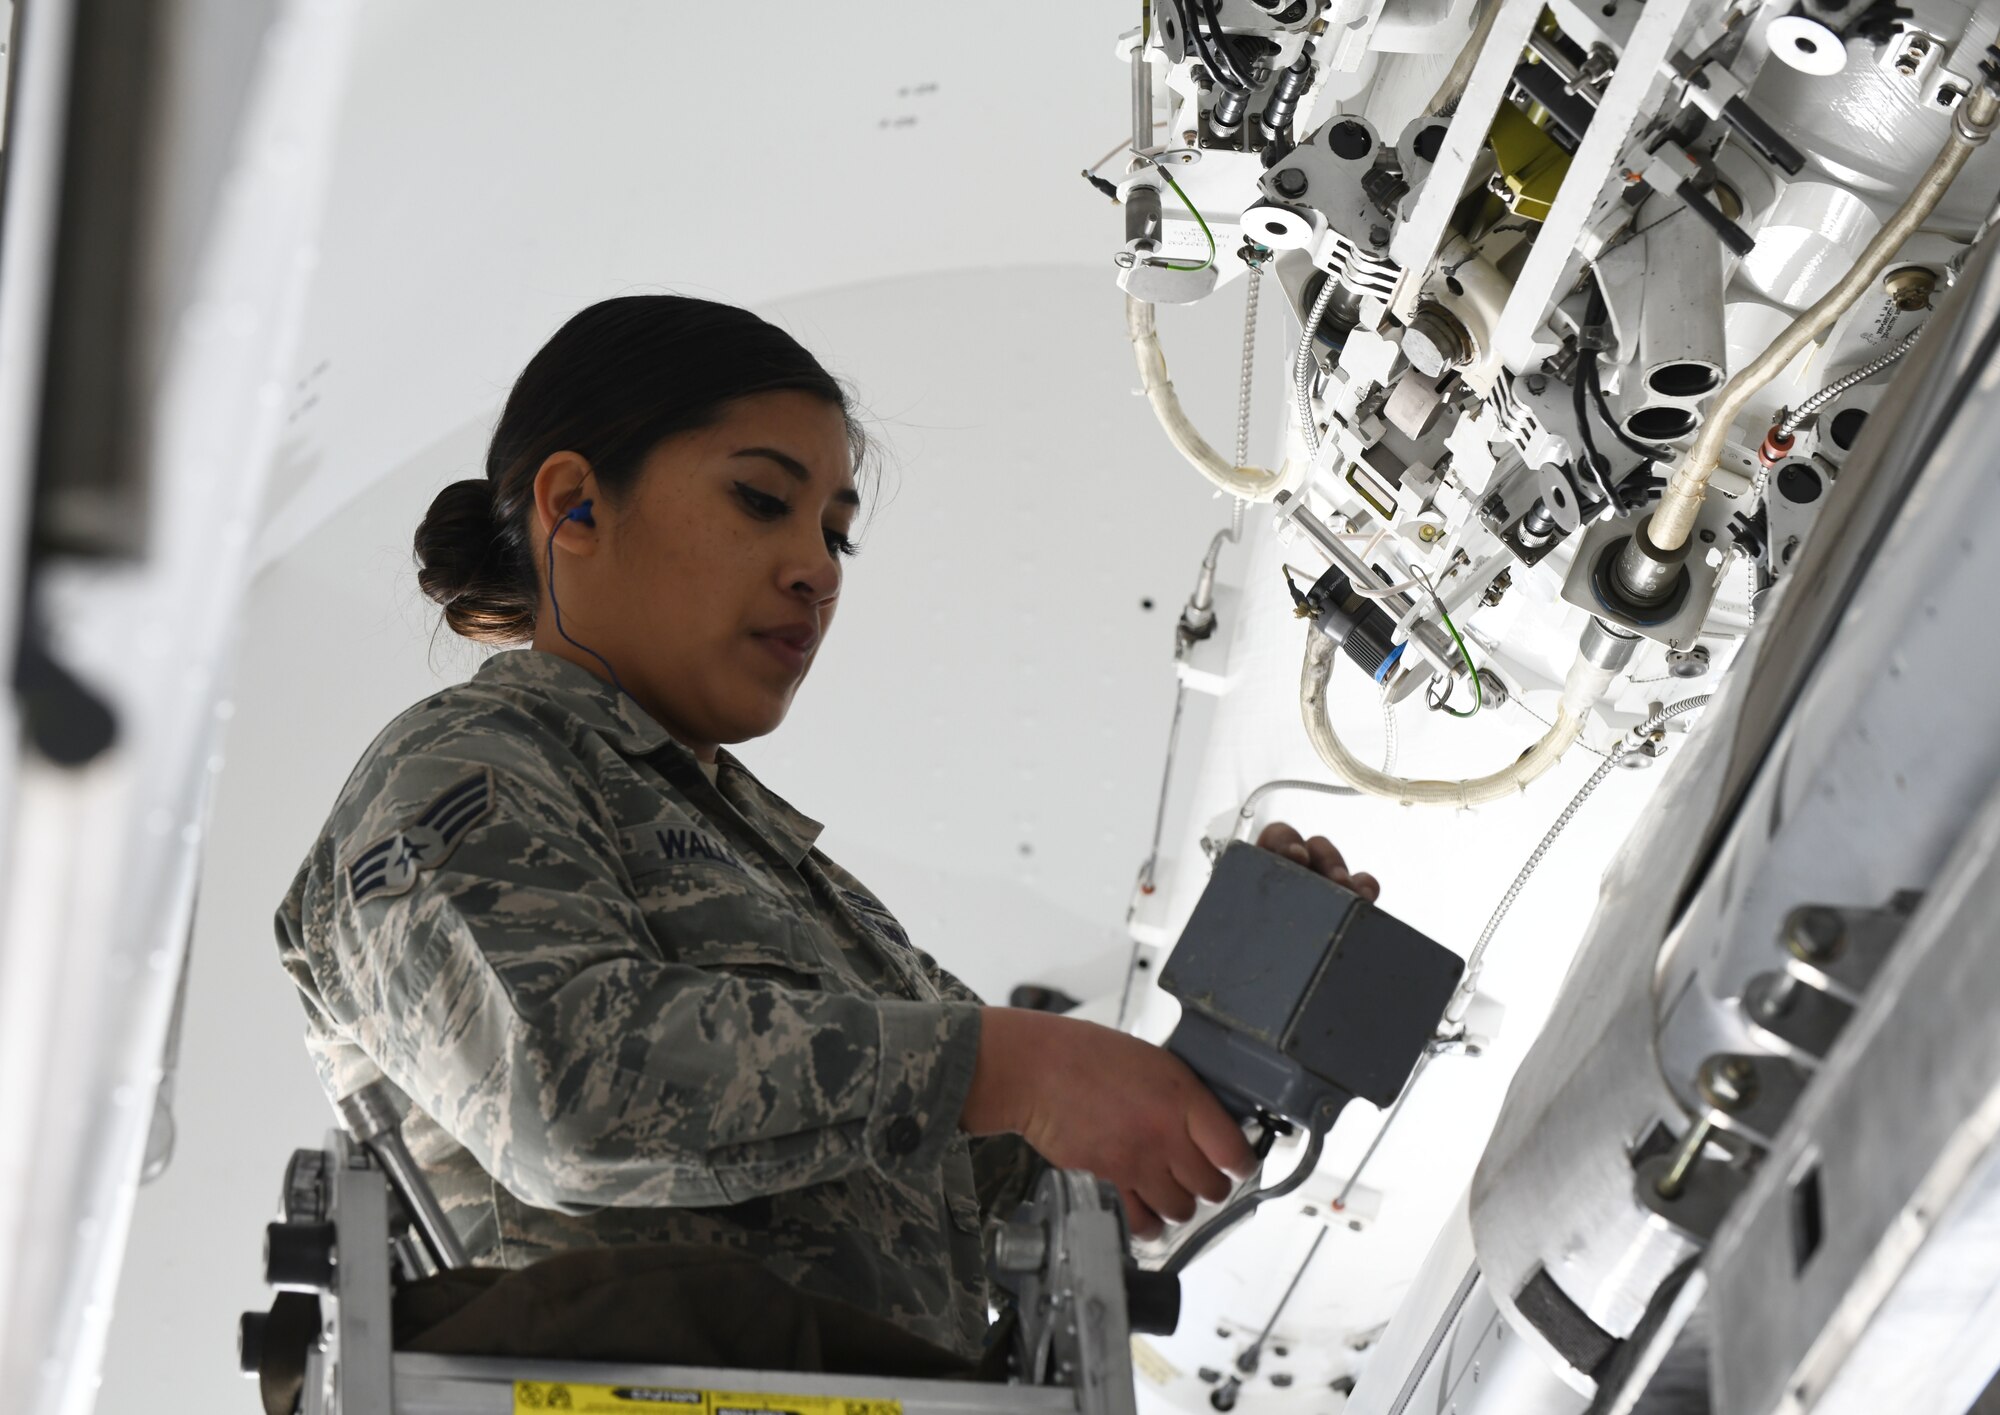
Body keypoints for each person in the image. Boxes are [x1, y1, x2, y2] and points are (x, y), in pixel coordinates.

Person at [273, 295, 1380, 1365]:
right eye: (761, 499)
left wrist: (1232, 1052)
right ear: (573, 505)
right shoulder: (463, 765)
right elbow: (561, 1092)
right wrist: (1007, 1062)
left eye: (836, 537)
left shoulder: (813, 893)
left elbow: (1045, 1189)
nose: (813, 570)